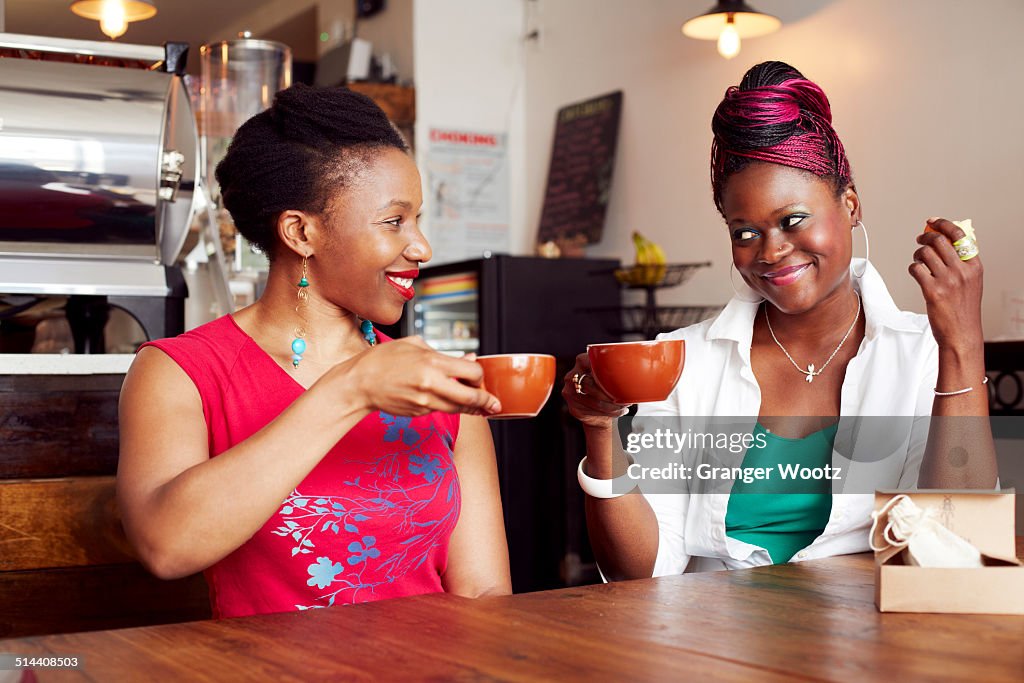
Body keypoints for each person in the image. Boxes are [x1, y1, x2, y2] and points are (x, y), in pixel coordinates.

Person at [563, 61, 997, 580]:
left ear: (851, 205)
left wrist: (963, 345)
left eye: (793, 220)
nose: (770, 251)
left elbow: (957, 563)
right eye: (744, 232)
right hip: (706, 649)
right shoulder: (683, 361)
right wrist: (600, 428)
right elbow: (640, 574)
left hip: (871, 649)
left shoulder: (923, 354)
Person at [117, 85, 511, 617]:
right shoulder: (182, 372)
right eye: (394, 221)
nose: (422, 248)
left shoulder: (433, 381)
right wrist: (350, 391)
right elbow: (165, 545)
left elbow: (484, 594)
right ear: (301, 232)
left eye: (418, 220)